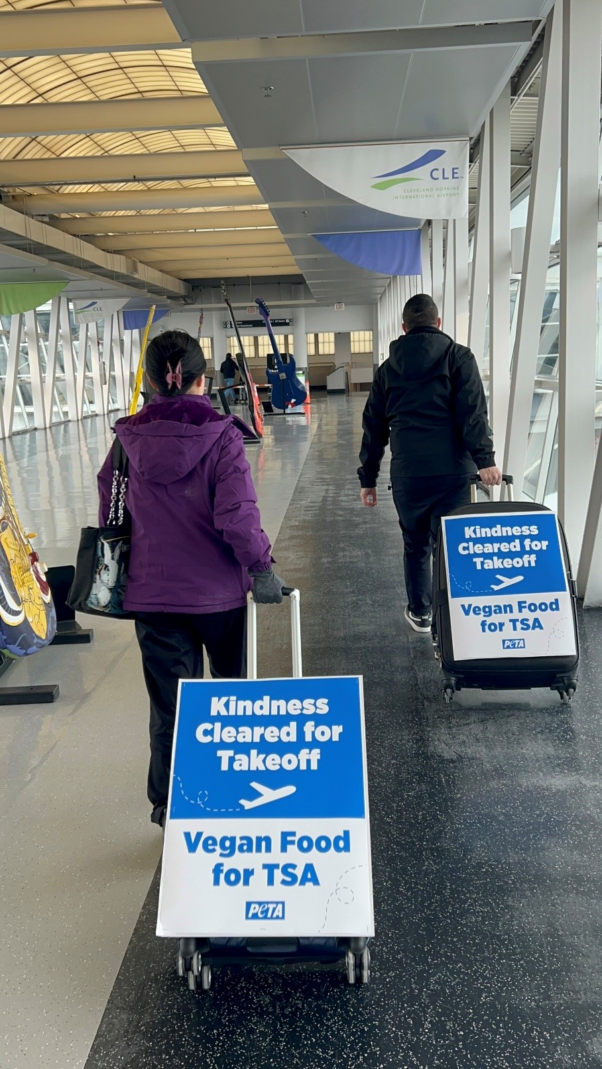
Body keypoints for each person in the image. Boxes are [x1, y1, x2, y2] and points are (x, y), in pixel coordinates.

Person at [97, 330, 286, 827]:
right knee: (231, 700)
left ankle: (169, 804)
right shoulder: (221, 436)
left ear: (150, 380)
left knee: (171, 707)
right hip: (219, 597)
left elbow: (111, 514)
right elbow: (237, 516)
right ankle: (234, 793)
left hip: (153, 597)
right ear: (203, 380)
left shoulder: (127, 440)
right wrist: (261, 568)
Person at [358, 293, 502, 634]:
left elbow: (374, 427)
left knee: (416, 544)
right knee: (452, 545)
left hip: (409, 474)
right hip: (454, 473)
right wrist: (485, 459)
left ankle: (421, 612)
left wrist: (368, 478)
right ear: (438, 323)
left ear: (404, 327)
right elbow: (473, 412)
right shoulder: (458, 357)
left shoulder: (387, 369)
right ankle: (457, 612)